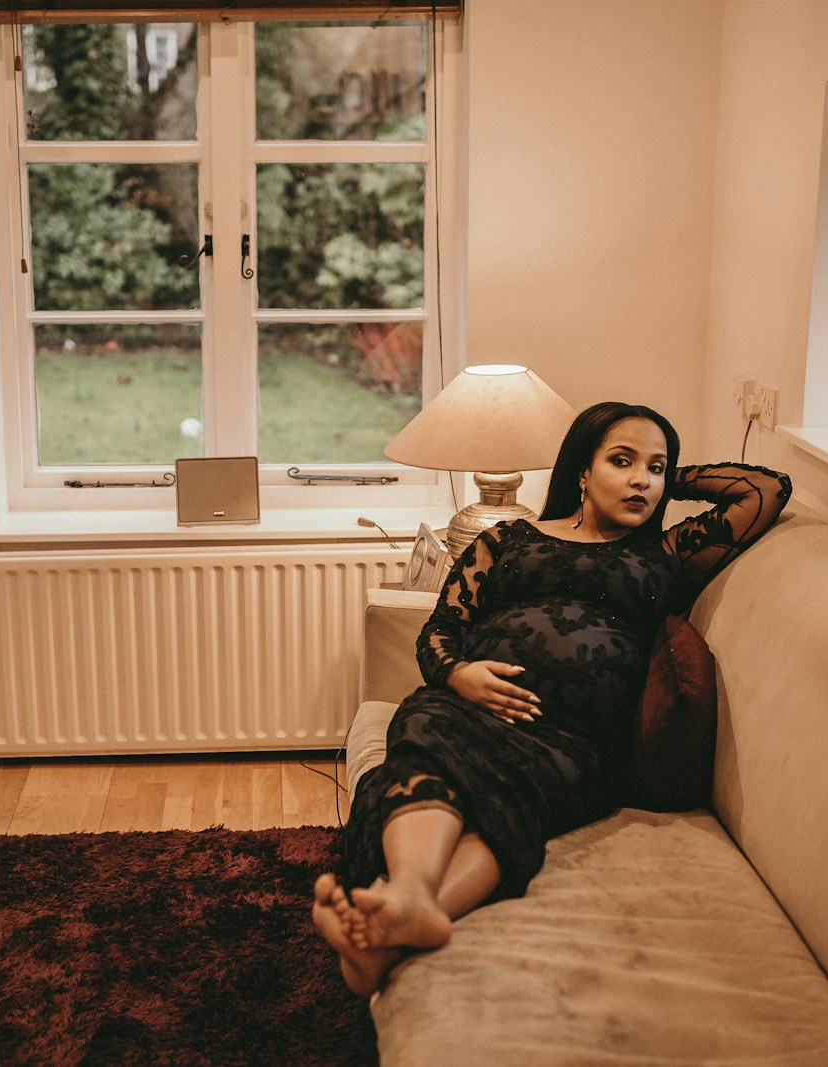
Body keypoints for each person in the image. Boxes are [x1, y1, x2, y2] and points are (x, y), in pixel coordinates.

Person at [312, 401, 791, 995]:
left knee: (512, 793)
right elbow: (439, 631)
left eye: (657, 467)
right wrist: (460, 675)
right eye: (622, 460)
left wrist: (673, 477)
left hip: (574, 736)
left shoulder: (665, 553)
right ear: (581, 472)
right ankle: (411, 905)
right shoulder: (506, 540)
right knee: (428, 730)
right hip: (469, 706)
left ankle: (400, 914)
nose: (643, 478)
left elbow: (765, 491)